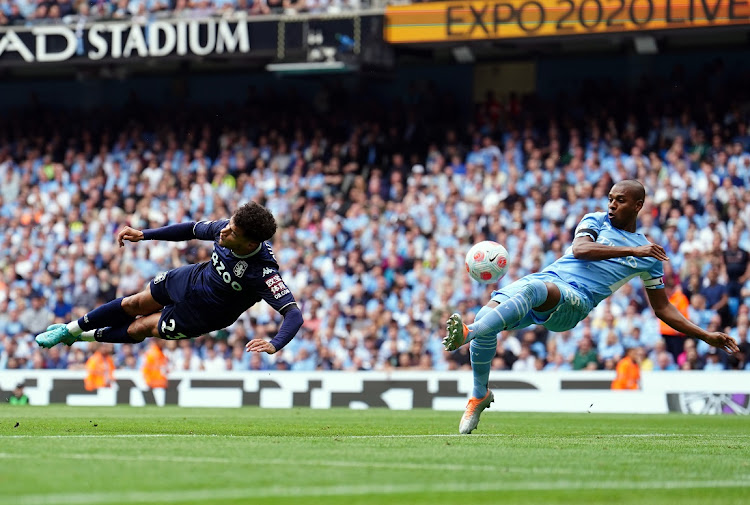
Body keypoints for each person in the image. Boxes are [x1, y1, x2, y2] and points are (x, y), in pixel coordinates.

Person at [444, 180, 739, 434]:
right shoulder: (595, 221)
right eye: (610, 199)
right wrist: (633, 250)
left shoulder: (649, 256)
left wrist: (704, 335)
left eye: (620, 201)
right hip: (546, 281)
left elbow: (663, 310)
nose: (611, 205)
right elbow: (581, 250)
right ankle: (478, 395)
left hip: (576, 301)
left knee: (519, 299)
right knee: (487, 316)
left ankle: (468, 333)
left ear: (637, 205)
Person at [35, 202, 304, 357]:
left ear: (250, 243)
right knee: (134, 303)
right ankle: (68, 330)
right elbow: (190, 229)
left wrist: (274, 343)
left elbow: (293, 314)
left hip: (205, 314)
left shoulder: (264, 272)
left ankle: (82, 338)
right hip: (191, 279)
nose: (223, 231)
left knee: (141, 328)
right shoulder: (226, 230)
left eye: (232, 231)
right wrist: (144, 234)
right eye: (228, 224)